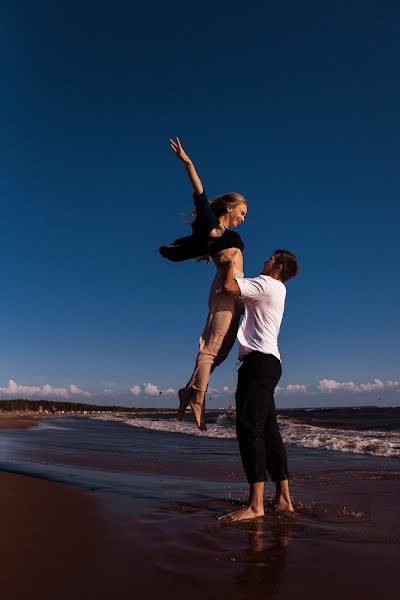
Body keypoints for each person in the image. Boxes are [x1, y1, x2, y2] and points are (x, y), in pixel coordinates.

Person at [160, 138, 247, 430]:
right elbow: (199, 190)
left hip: (237, 293)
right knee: (210, 349)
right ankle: (198, 398)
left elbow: (212, 250)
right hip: (225, 289)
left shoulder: (218, 234)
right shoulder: (210, 223)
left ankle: (188, 390)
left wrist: (209, 253)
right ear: (230, 207)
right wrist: (187, 161)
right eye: (242, 213)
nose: (243, 219)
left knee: (222, 351)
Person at [218, 249, 299, 521]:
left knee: (250, 427)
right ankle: (284, 499)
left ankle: (256, 506)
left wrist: (228, 261)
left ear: (277, 267)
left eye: (269, 259)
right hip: (271, 363)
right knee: (270, 432)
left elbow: (229, 286)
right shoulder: (280, 290)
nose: (264, 261)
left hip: (258, 364)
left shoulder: (265, 284)